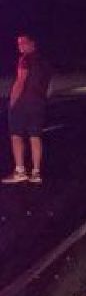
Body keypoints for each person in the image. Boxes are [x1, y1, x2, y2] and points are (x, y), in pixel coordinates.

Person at [3, 34, 51, 184]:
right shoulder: (45, 62)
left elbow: (21, 81)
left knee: (16, 136)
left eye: (23, 42)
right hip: (38, 104)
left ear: (32, 43)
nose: (20, 46)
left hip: (23, 104)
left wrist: (12, 101)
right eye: (19, 43)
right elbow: (49, 85)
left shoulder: (25, 59)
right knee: (35, 137)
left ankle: (20, 171)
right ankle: (36, 173)